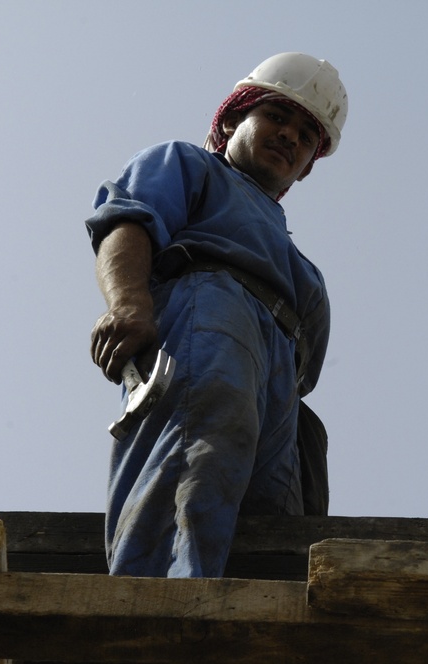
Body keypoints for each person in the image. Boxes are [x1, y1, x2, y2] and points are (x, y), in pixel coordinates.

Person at [85, 53, 348, 578]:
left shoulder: (303, 272)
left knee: (275, 521)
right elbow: (127, 223)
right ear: (231, 121)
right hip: (211, 311)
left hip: (279, 378)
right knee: (199, 450)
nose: (290, 137)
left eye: (305, 135)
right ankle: (155, 614)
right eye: (276, 117)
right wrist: (130, 301)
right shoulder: (189, 165)